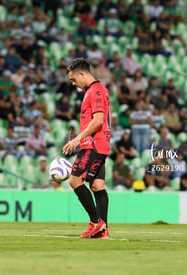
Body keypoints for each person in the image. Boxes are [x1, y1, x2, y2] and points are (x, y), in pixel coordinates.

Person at [63, 58, 110, 239]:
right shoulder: (97, 90)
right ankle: (103, 231)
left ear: (82, 74)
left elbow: (98, 120)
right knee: (97, 185)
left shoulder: (95, 91)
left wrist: (77, 139)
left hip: (92, 144)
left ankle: (96, 222)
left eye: (74, 80)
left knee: (74, 181)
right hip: (101, 144)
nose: (74, 84)